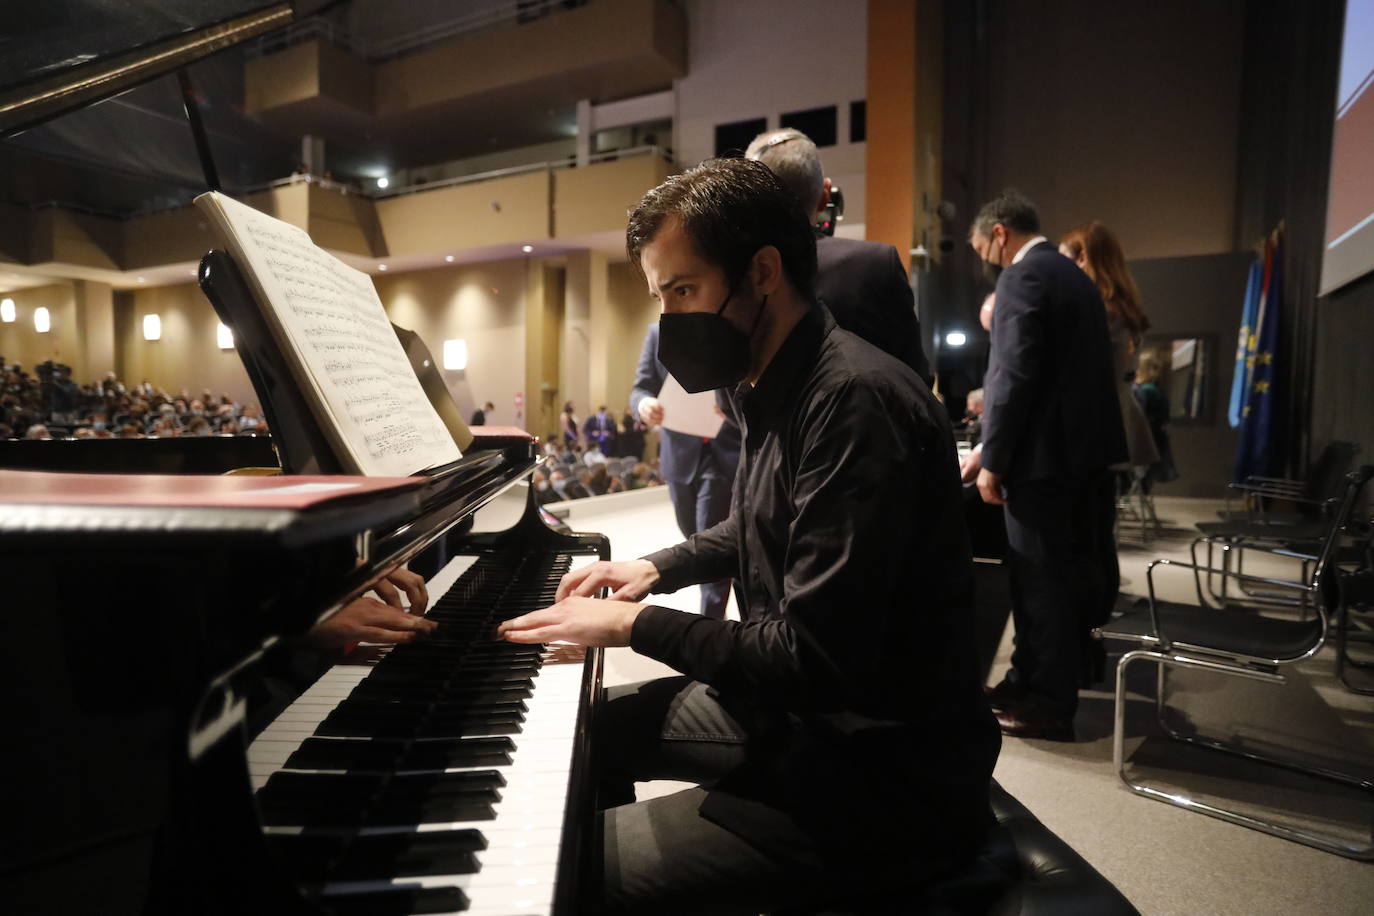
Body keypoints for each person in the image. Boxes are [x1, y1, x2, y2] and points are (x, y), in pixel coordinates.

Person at [499, 158, 999, 914]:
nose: (671, 318)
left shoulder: (854, 403)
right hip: (810, 724)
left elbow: (811, 660)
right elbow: (758, 523)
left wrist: (634, 626)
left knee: (579, 878)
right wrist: (653, 568)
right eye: (659, 296)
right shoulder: (769, 381)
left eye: (684, 290)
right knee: (582, 734)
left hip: (879, 776)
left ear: (763, 271)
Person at [961, 190, 1127, 741]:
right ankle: (1023, 682)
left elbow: (1013, 375)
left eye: (983, 246)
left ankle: (1047, 705)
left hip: (1041, 464)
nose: (986, 257)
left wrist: (993, 460)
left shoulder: (1022, 277)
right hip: (1076, 458)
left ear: (1001, 233)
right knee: (1051, 577)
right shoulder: (1070, 274)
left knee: (1040, 583)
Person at [746, 128, 932, 386]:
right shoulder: (876, 264)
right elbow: (914, 377)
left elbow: (729, 398)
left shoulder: (740, 271)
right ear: (825, 195)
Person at [630, 323, 741, 620]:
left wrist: (735, 407)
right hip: (679, 456)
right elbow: (640, 388)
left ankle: (711, 628)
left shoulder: (730, 326)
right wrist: (644, 405)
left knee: (710, 539)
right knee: (691, 533)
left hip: (724, 453)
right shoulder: (657, 333)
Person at [1058, 222, 1160, 472]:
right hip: (1116, 419)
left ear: (1082, 258)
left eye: (1062, 261)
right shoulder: (1122, 309)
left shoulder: (1097, 311)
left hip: (1093, 427)